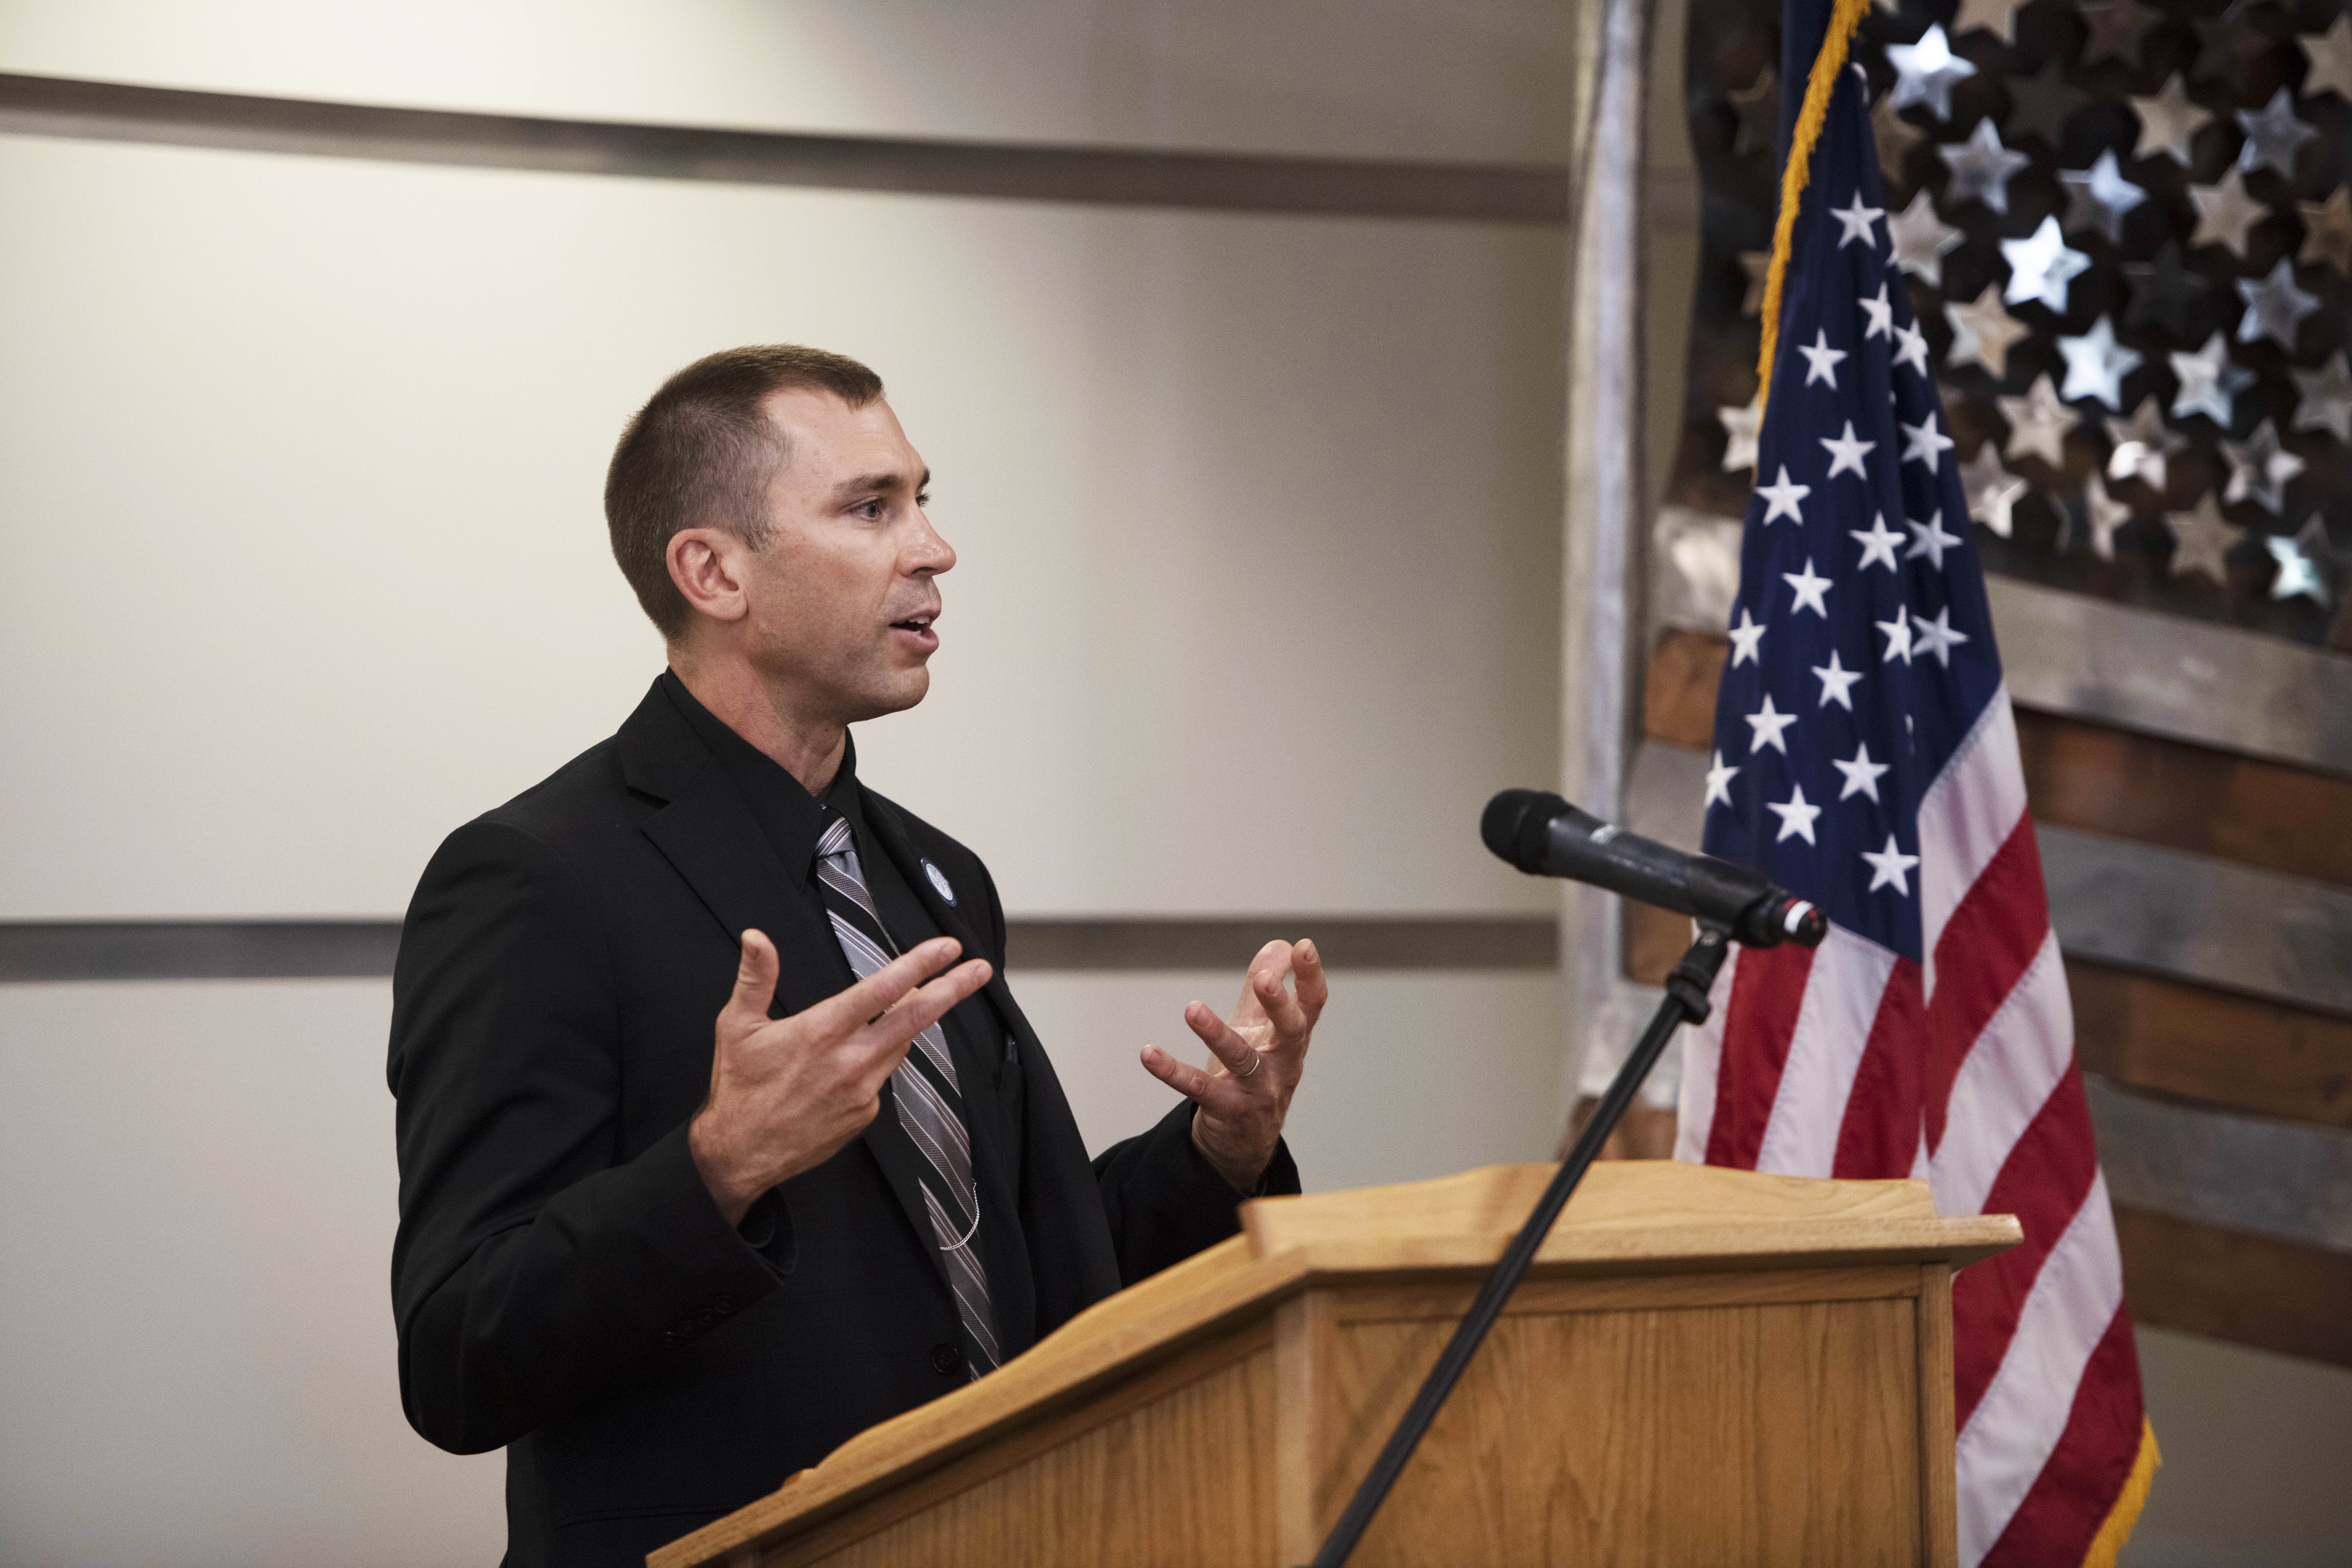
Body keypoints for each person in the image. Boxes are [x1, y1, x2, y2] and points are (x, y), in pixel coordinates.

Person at [387, 345, 1325, 1568]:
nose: (933, 548)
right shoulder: (539, 878)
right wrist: (717, 1169)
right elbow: (461, 1350)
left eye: (923, 499)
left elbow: (992, 1280)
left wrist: (1218, 1155)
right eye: (872, 507)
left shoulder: (935, 876)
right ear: (714, 571)